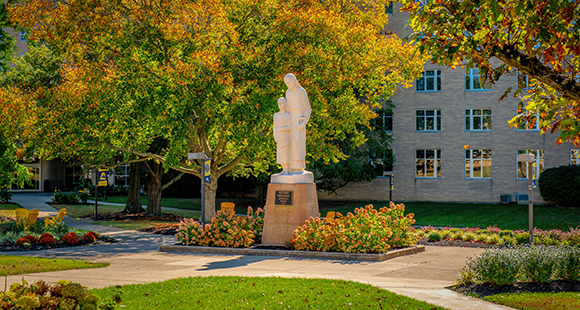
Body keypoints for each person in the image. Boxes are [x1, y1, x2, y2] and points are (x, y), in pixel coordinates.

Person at [283, 73, 311, 174]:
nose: (287, 85)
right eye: (286, 83)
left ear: (294, 81)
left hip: (299, 119)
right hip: (290, 118)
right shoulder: (288, 92)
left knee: (297, 143)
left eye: (289, 82)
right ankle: (289, 168)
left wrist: (303, 123)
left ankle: (298, 168)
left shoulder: (301, 92)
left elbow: (307, 109)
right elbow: (287, 107)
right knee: (289, 143)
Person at [273, 97, 291, 174]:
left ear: (285, 104)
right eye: (279, 103)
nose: (280, 105)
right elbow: (275, 127)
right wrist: (275, 136)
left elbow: (290, 127)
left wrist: (282, 129)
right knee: (281, 153)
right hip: (279, 137)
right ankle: (284, 169)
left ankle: (287, 170)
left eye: (282, 103)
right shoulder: (276, 115)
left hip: (286, 136)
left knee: (286, 153)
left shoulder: (288, 115)